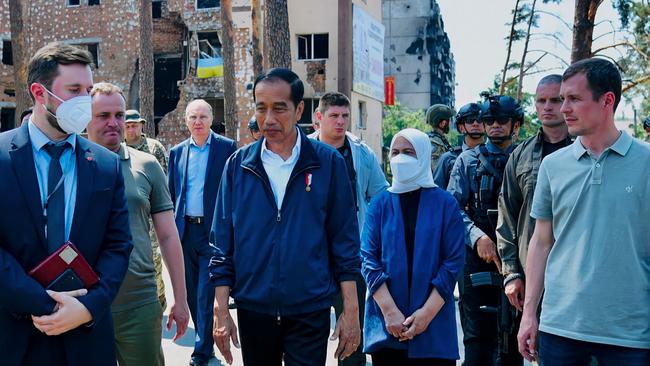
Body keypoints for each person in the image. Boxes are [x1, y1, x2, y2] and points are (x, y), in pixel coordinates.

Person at [209, 68, 361, 366]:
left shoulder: (327, 163)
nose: (269, 119)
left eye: (279, 108)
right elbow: (221, 244)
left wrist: (351, 311)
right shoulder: (238, 166)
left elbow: (345, 242)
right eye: (261, 108)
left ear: (299, 109)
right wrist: (221, 309)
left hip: (310, 308)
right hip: (254, 308)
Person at [0, 42, 132, 366]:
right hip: (16, 338)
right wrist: (47, 305)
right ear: (39, 93)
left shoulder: (105, 164)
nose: (84, 101)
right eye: (74, 90)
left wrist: (88, 308)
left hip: (86, 338)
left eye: (88, 90)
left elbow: (118, 246)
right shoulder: (2, 157)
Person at [518, 58, 650, 364]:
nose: (564, 108)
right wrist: (529, 315)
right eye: (563, 99)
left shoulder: (646, 162)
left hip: (630, 334)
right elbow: (541, 242)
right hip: (559, 329)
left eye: (574, 99)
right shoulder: (553, 166)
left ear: (607, 101)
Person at [87, 82, 190, 366]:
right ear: (85, 117)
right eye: (103, 115)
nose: (114, 123)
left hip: (139, 303)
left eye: (119, 115)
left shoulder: (147, 165)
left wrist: (179, 299)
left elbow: (168, 235)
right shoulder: (72, 163)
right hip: (85, 305)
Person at [361, 128, 465, 365]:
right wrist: (389, 312)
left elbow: (453, 262)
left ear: (424, 156)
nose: (401, 159)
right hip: (388, 327)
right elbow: (368, 259)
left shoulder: (446, 204)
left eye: (409, 152)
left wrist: (426, 314)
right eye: (395, 152)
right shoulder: (380, 204)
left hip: (434, 326)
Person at [309, 91, 388, 366]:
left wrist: (371, 235)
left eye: (345, 115)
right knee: (309, 335)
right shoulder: (302, 151)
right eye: (334, 116)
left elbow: (381, 197)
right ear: (318, 118)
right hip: (312, 257)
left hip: (352, 256)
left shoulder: (361, 153)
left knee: (353, 334)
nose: (340, 122)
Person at [447, 95, 523, 366]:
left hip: (517, 261)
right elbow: (451, 209)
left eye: (502, 120)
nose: (494, 126)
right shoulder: (466, 162)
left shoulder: (524, 159)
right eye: (489, 120)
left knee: (513, 344)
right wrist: (477, 236)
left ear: (516, 124)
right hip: (477, 261)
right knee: (477, 342)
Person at [168, 99, 237, 366]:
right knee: (191, 291)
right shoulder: (177, 152)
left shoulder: (226, 148)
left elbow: (232, 189)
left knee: (205, 292)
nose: (198, 122)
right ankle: (205, 342)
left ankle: (201, 351)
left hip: (212, 233)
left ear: (211, 120)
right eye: (193, 117)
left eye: (203, 117)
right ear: (186, 121)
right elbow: (173, 193)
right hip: (185, 231)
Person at [496, 75, 572, 315]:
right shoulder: (521, 155)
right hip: (532, 275)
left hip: (578, 273)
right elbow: (507, 214)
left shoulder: (586, 148)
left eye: (555, 99)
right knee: (535, 349)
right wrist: (511, 273)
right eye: (541, 100)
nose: (547, 106)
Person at [124, 108, 169, 308]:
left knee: (154, 260)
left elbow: (164, 183)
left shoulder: (154, 149)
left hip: (151, 216)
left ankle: (158, 300)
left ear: (142, 125)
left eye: (135, 125)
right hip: (129, 215)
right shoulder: (118, 148)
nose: (131, 130)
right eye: (128, 126)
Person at [433, 102, 485, 188]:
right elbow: (437, 193)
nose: (475, 124)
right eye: (470, 120)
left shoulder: (495, 156)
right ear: (461, 128)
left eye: (480, 120)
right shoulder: (448, 159)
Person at [425, 104, 454, 171]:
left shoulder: (439, 139)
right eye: (449, 120)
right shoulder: (435, 142)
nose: (451, 123)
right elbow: (437, 170)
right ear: (443, 123)